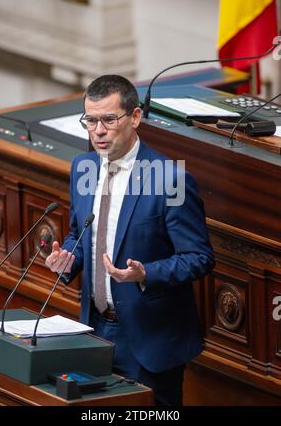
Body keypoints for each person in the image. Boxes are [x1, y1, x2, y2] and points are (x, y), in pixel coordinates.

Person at [45, 74, 215, 406]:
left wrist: (146, 273)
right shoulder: (83, 167)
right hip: (94, 331)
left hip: (148, 340)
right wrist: (67, 257)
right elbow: (80, 234)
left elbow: (200, 257)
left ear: (135, 117)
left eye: (108, 119)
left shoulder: (170, 178)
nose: (98, 130)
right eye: (90, 121)